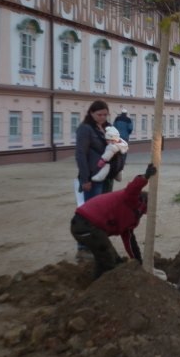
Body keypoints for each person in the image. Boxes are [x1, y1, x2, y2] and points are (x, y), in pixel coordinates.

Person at [70, 164, 156, 278]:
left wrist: (138, 261)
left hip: (86, 226)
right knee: (110, 261)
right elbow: (133, 188)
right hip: (86, 225)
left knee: (109, 259)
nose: (145, 214)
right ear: (144, 203)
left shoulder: (132, 217)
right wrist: (145, 177)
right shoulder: (131, 200)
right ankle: (102, 289)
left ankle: (96, 283)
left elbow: (130, 240)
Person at [74, 99, 112, 261]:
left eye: (105, 114)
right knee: (90, 214)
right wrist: (85, 179)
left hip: (106, 176)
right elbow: (80, 154)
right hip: (91, 178)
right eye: (99, 114)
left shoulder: (106, 128)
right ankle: (82, 248)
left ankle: (98, 246)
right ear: (91, 113)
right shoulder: (85, 129)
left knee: (102, 213)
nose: (102, 117)